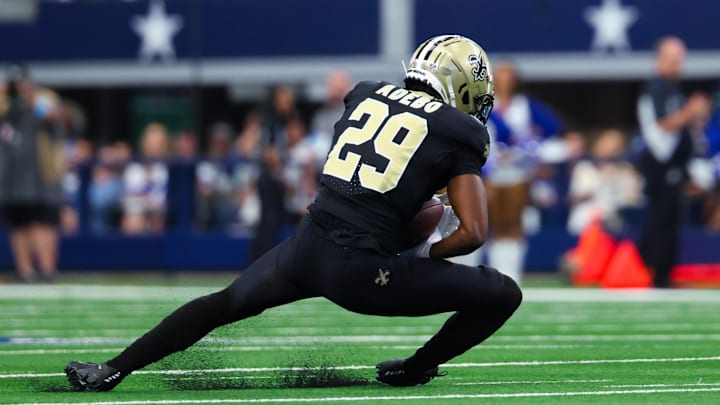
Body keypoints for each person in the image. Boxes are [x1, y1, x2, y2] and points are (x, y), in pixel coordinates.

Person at [64, 35, 522, 391]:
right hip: (363, 272)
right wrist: (419, 253)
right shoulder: (460, 131)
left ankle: (110, 369)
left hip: (305, 248)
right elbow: (474, 233)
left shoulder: (364, 92)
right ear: (459, 84)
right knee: (503, 292)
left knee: (222, 304)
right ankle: (416, 368)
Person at [636, 37, 711, 288]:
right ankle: (655, 272)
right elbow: (662, 126)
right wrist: (690, 111)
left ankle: (662, 271)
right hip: (661, 163)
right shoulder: (656, 88)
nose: (678, 63)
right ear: (660, 59)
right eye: (673, 58)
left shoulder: (672, 89)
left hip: (675, 163)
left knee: (671, 218)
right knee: (662, 217)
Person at [0, 66, 64, 283]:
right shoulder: (7, 108)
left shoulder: (43, 102)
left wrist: (34, 101)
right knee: (19, 223)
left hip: (41, 177)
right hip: (12, 179)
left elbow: (54, 120)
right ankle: (25, 271)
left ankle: (47, 270)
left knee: (43, 221)